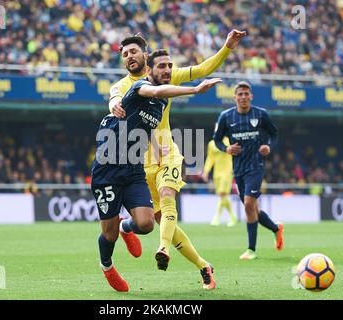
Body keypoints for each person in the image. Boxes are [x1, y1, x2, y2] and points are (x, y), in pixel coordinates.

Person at [109, 30, 245, 289]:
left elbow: (204, 68)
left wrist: (227, 47)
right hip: (140, 163)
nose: (169, 69)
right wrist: (114, 105)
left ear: (145, 56)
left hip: (168, 154)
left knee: (168, 198)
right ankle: (203, 266)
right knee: (159, 220)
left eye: (134, 51)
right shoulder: (122, 86)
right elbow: (114, 98)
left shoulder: (165, 74)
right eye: (125, 54)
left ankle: (163, 249)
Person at [92, 49, 221, 292]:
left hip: (134, 166)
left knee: (148, 223)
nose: (168, 71)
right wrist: (194, 90)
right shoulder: (140, 86)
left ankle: (146, 238)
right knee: (108, 234)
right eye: (162, 66)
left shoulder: (161, 102)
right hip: (108, 165)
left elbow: (147, 124)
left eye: (170, 66)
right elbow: (140, 94)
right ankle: (107, 266)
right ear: (150, 69)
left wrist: (156, 147)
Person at [213, 81, 284, 260]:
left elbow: (274, 134)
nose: (243, 97)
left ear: (251, 96)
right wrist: (226, 149)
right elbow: (217, 140)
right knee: (251, 208)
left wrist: (268, 146)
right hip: (238, 169)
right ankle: (276, 228)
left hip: (256, 166)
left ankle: (251, 250)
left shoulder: (261, 114)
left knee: (249, 204)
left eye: (246, 94)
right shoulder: (226, 117)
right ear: (235, 97)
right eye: (240, 94)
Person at [202, 137, 238, 227]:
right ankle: (233, 217)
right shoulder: (211, 143)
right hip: (216, 173)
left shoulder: (230, 141)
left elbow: (236, 155)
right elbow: (210, 158)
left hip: (227, 172)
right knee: (223, 196)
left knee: (222, 193)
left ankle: (216, 217)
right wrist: (206, 171)